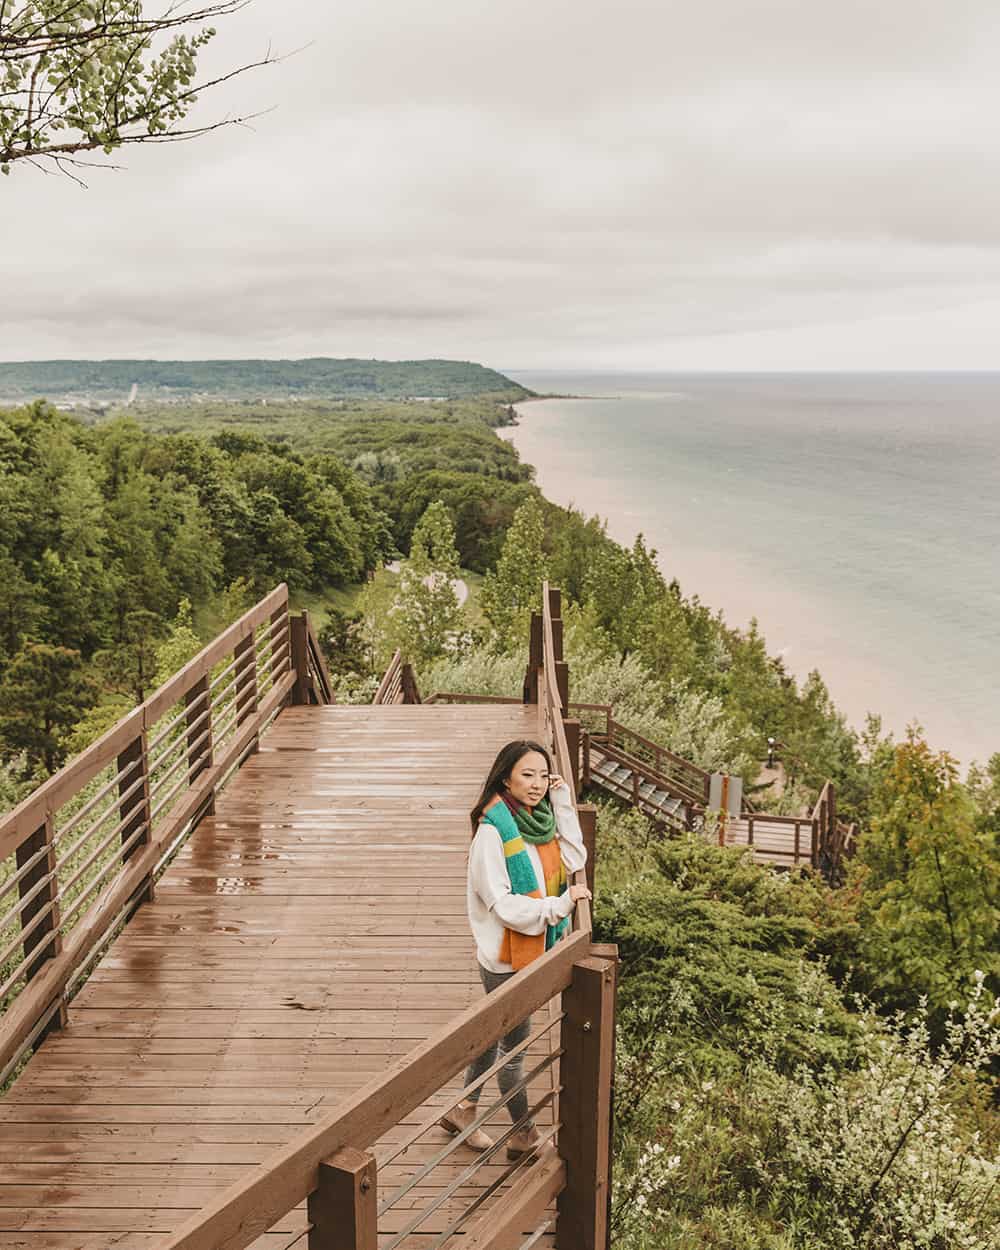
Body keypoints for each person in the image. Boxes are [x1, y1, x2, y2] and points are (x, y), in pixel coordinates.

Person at [438, 739, 591, 1159]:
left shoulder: (537, 819)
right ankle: (523, 1135)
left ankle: (464, 1109)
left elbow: (575, 854)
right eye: (528, 774)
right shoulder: (493, 833)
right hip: (507, 958)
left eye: (544, 775)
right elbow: (504, 906)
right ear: (505, 776)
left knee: (495, 1033)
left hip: (534, 948)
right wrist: (559, 906)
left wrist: (562, 800)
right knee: (514, 1051)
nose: (538, 783)